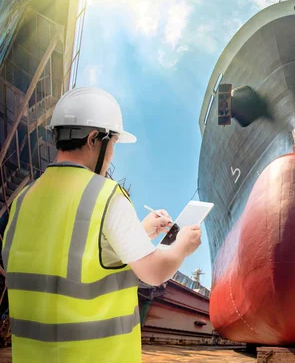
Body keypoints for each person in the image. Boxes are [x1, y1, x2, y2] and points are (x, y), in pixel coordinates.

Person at [1, 87, 202, 362]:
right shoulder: (105, 195)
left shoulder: (23, 200)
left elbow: (67, 255)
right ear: (94, 139)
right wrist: (182, 247)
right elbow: (153, 273)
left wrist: (140, 233)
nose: (112, 155)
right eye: (114, 144)